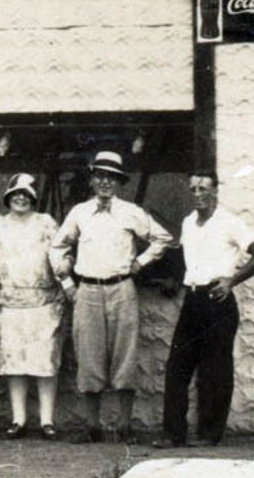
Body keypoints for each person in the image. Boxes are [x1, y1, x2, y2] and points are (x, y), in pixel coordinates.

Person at [51, 151, 173, 443]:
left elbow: (163, 238)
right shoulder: (79, 212)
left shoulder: (131, 212)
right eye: (100, 176)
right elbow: (57, 248)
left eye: (111, 177)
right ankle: (92, 427)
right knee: (89, 356)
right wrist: (67, 282)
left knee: (125, 355)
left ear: (118, 182)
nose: (105, 182)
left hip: (122, 288)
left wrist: (140, 262)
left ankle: (124, 426)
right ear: (92, 180)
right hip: (88, 290)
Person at [152, 171, 254, 449]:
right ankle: (174, 434)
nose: (198, 194)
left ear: (215, 191)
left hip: (218, 302)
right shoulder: (188, 223)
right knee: (177, 367)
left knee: (215, 370)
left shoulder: (229, 222)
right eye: (193, 189)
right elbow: (190, 259)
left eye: (204, 188)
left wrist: (232, 281)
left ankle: (209, 434)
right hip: (193, 300)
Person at [0, 174, 66, 440]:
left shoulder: (46, 223)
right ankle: (18, 419)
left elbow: (62, 250)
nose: (21, 198)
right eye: (16, 193)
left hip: (43, 302)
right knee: (15, 363)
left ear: (33, 198)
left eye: (26, 194)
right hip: (11, 303)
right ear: (8, 196)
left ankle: (47, 420)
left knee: (44, 361)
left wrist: (65, 273)